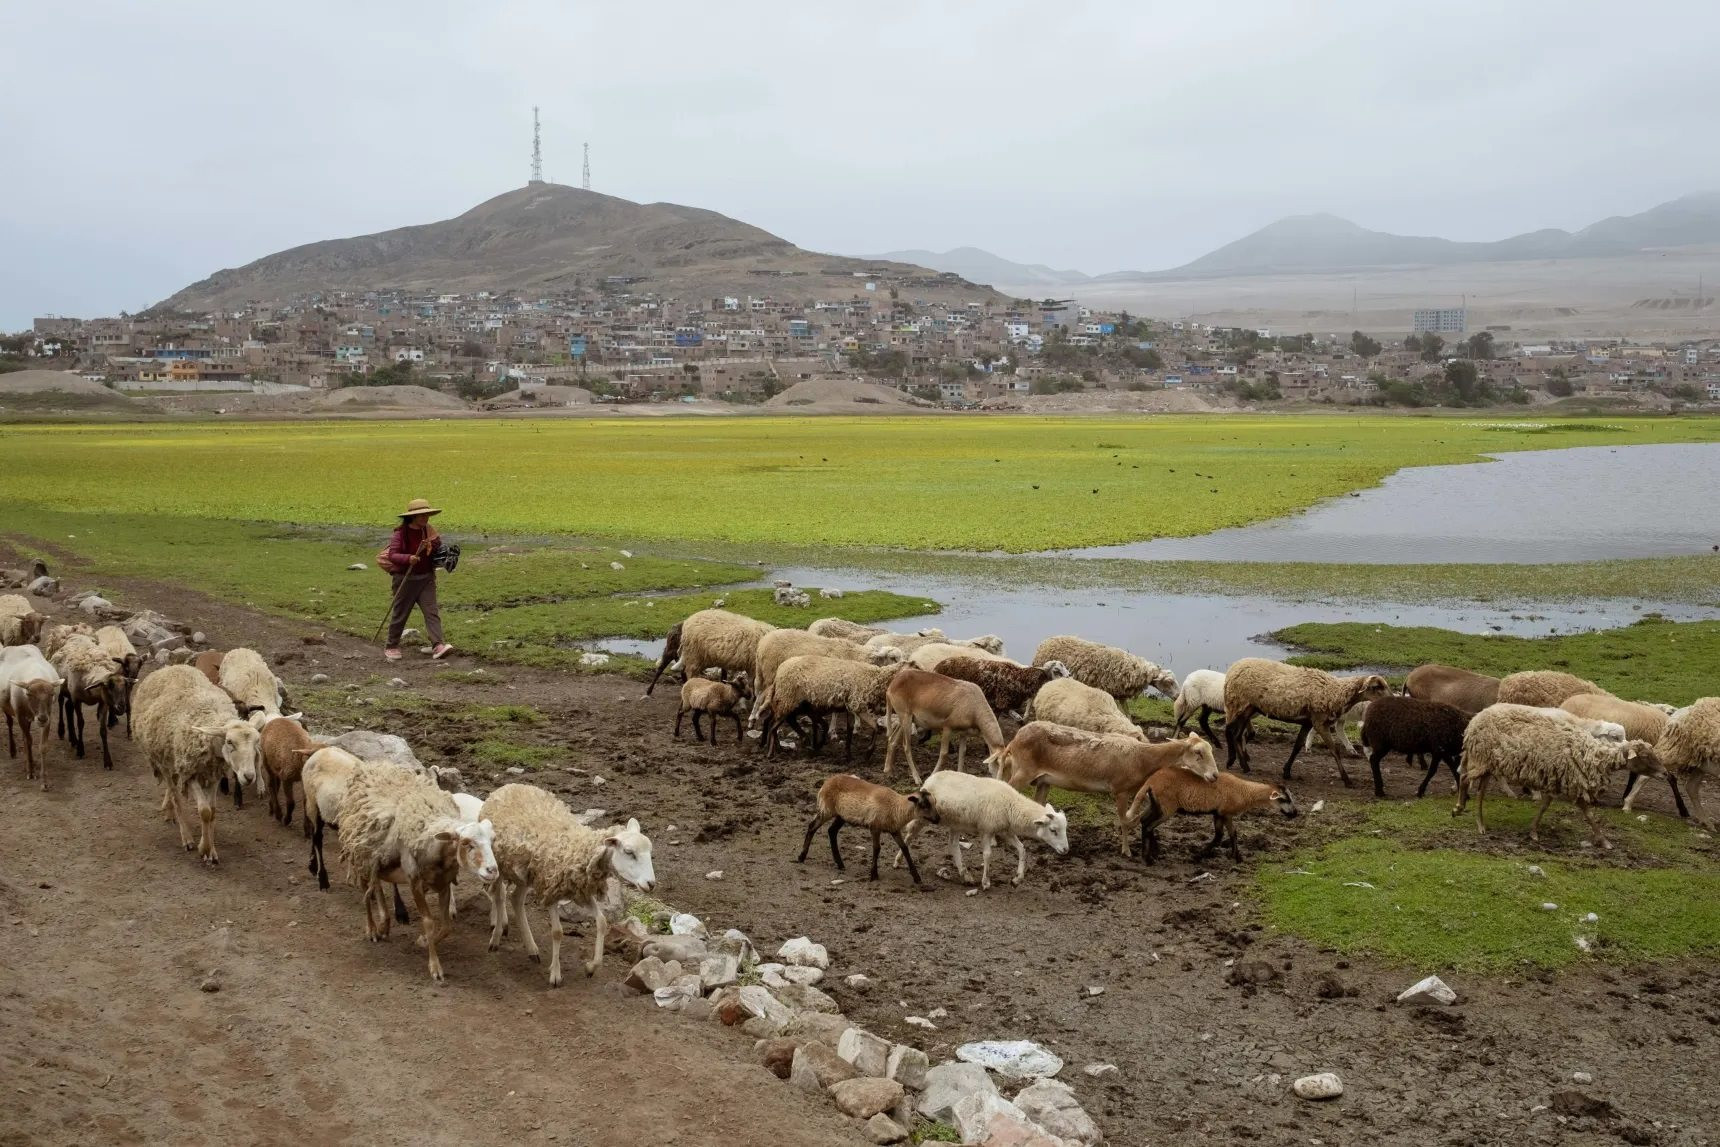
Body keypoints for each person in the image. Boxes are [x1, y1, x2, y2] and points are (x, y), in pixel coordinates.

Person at [380, 497, 453, 661]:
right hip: (405, 579)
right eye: (422, 515)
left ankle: (438, 645)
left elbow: (437, 547)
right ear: (412, 517)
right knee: (401, 613)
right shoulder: (400, 534)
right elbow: (393, 555)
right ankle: (391, 646)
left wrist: (438, 551)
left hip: (426, 578)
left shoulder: (429, 530)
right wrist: (409, 559)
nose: (425, 518)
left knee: (431, 612)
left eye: (426, 515)